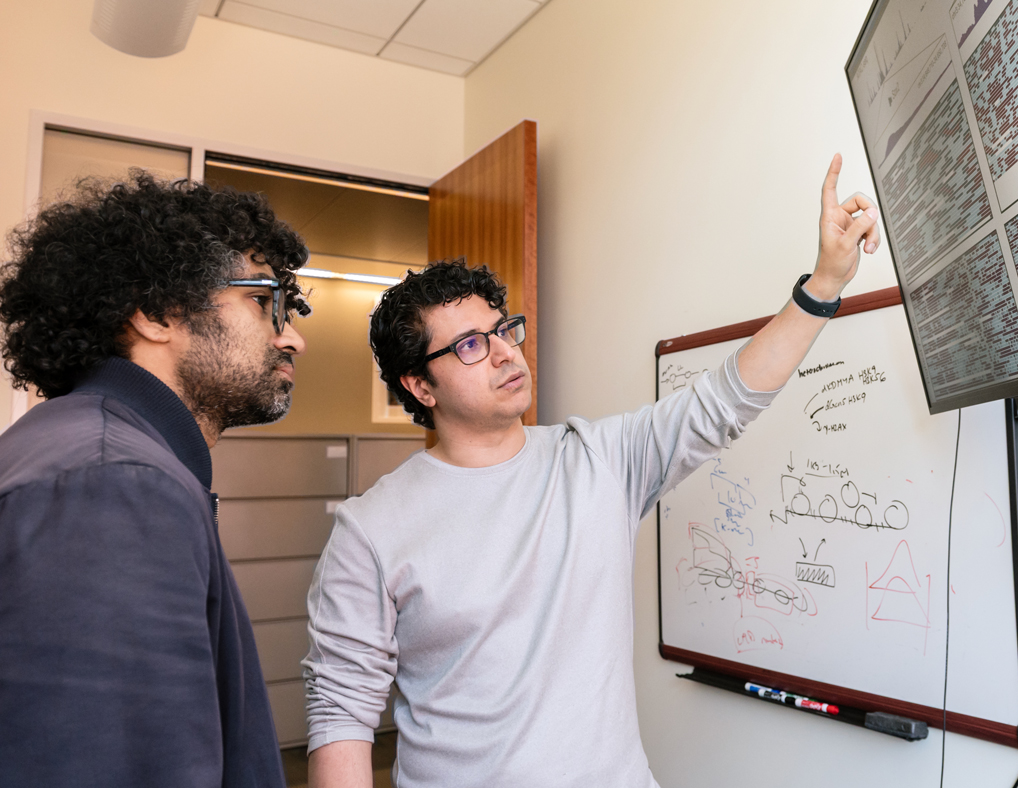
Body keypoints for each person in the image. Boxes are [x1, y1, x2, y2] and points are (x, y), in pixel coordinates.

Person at [302, 154, 881, 788]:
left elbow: (725, 401)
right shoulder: (371, 529)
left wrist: (824, 283)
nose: (504, 354)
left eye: (504, 331)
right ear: (421, 385)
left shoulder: (600, 459)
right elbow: (341, 714)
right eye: (471, 344)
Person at [0, 174, 311, 787]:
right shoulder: (113, 486)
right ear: (157, 313)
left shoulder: (99, 452)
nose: (293, 336)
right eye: (262, 301)